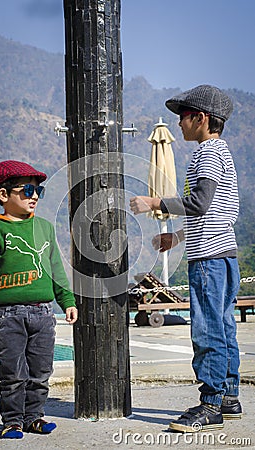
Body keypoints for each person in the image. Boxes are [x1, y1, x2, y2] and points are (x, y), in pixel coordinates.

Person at [130, 85, 242, 433]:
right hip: (224, 254)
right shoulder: (221, 152)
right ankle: (228, 397)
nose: (179, 123)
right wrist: (176, 237)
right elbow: (216, 214)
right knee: (223, 326)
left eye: (184, 115)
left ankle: (210, 404)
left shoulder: (207, 154)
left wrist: (155, 202)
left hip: (209, 261)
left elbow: (199, 205)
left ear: (202, 118)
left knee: (207, 328)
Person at [0, 160, 78, 439]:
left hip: (43, 314)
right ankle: (12, 421)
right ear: (4, 195)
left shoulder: (43, 228)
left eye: (38, 191)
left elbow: (56, 267)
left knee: (41, 371)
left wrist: (66, 300)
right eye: (27, 190)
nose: (34, 196)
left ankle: (34, 417)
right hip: (7, 316)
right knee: (13, 372)